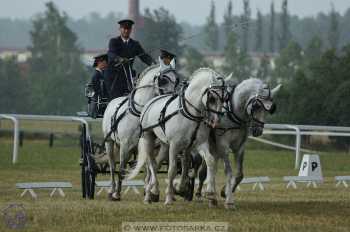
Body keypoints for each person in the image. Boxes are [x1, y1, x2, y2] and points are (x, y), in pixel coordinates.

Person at [105, 19, 155, 99]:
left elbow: (144, 57)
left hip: (128, 76)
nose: (126, 31)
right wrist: (119, 59)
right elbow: (111, 54)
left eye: (128, 29)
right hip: (114, 77)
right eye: (124, 29)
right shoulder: (114, 41)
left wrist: (154, 64)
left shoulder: (135, 44)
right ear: (120, 29)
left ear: (131, 30)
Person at [88, 53, 108, 118]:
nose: (106, 64)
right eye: (105, 62)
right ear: (100, 63)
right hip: (98, 104)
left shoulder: (102, 73)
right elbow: (97, 90)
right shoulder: (96, 75)